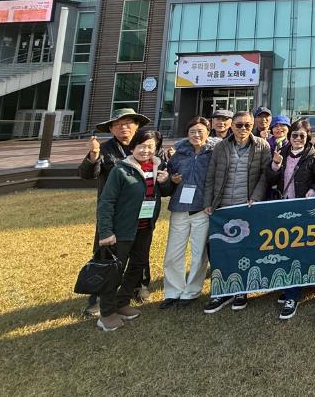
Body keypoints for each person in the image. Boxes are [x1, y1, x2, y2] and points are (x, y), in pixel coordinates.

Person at [78, 107, 153, 316]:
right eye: (118, 125)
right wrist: (94, 155)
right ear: (111, 129)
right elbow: (87, 174)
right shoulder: (105, 149)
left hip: (142, 212)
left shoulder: (148, 147)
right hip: (114, 213)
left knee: (140, 252)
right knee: (107, 254)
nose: (123, 128)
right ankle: (98, 298)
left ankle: (139, 286)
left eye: (128, 123)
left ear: (137, 126)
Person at [95, 128, 169, 331]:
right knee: (115, 270)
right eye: (141, 146)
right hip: (122, 229)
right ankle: (106, 313)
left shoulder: (158, 167)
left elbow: (164, 192)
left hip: (145, 228)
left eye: (150, 146)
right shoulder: (120, 170)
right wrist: (106, 231)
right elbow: (106, 201)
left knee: (137, 265)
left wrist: (166, 181)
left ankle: (122, 302)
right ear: (133, 147)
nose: (146, 150)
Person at [202, 110, 270, 314]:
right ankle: (222, 291)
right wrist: (208, 202)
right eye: (239, 125)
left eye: (247, 125)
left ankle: (241, 290)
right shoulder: (221, 147)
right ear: (231, 126)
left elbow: (265, 176)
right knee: (219, 249)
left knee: (244, 249)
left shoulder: (262, 146)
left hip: (245, 205)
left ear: (253, 125)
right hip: (222, 206)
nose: (243, 129)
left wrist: (255, 198)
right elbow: (211, 175)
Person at [266, 119, 315, 319]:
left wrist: (313, 191)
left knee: (296, 252)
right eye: (295, 135)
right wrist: (275, 164)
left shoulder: (313, 156)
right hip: (282, 209)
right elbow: (270, 179)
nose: (298, 139)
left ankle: (292, 295)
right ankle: (288, 287)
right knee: (283, 249)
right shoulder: (281, 152)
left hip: (302, 211)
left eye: (302, 136)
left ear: (307, 137)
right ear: (289, 136)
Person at [159, 117, 219, 309]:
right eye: (192, 131)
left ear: (208, 133)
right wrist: (171, 181)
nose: (196, 135)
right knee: (173, 253)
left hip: (202, 209)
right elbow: (167, 181)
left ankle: (192, 291)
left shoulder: (214, 153)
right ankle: (173, 291)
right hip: (180, 209)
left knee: (198, 253)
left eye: (200, 131)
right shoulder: (178, 154)